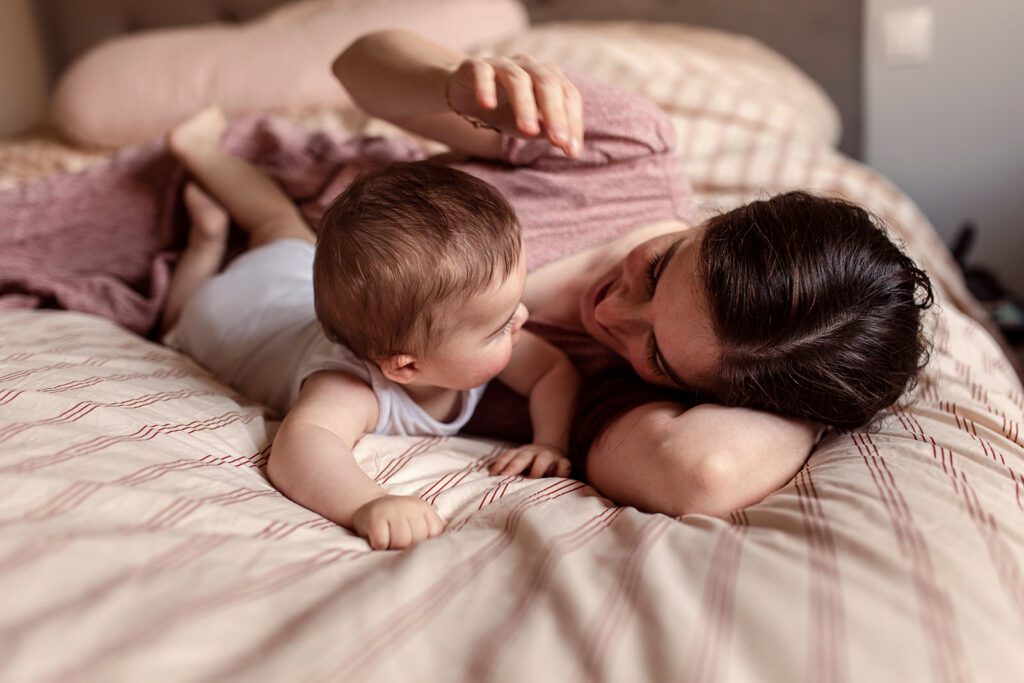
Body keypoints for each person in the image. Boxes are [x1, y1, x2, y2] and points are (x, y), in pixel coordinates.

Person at [330, 30, 934, 517]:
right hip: (273, 200)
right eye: (657, 270)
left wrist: (809, 399)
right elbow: (355, 64)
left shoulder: (623, 393)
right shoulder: (621, 150)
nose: (609, 315)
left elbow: (701, 474)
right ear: (716, 219)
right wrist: (449, 84)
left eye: (658, 352)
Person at [161, 109, 579, 550]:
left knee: (276, 222)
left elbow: (553, 371)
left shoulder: (453, 333)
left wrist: (549, 441)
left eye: (514, 306)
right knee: (178, 323)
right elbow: (300, 446)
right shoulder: (351, 386)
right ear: (405, 366)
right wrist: (367, 503)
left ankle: (202, 160)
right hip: (230, 314)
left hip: (293, 276)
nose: (522, 320)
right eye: (499, 327)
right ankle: (204, 239)